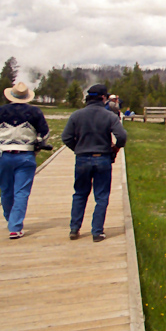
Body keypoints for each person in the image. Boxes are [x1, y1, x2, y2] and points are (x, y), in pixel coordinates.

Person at [0, 81, 50, 239]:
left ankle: (10, 219)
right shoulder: (35, 112)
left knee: (6, 190)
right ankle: (15, 226)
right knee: (21, 192)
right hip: (26, 155)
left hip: (3, 155)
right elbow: (45, 134)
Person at [62, 84, 128, 242]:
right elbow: (122, 136)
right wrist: (115, 149)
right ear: (103, 98)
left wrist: (78, 148)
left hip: (82, 158)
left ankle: (74, 228)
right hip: (103, 157)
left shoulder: (76, 115)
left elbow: (66, 137)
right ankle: (97, 232)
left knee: (79, 194)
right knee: (101, 196)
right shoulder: (109, 116)